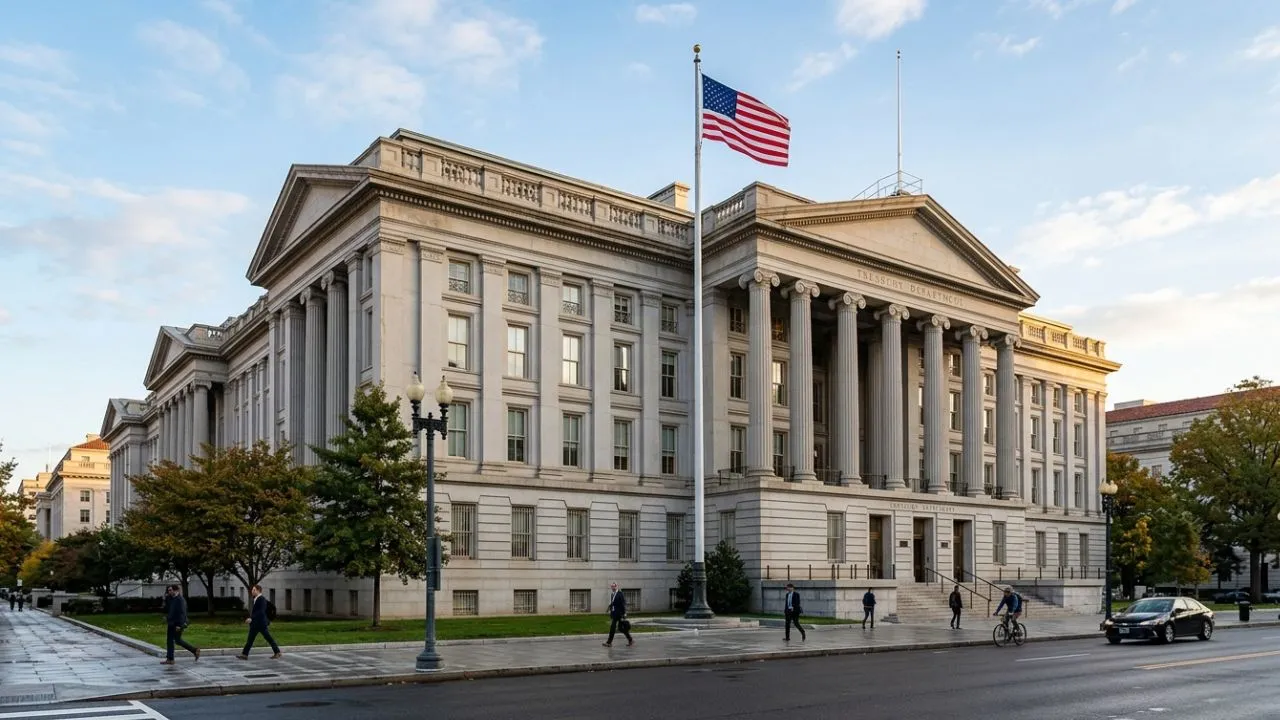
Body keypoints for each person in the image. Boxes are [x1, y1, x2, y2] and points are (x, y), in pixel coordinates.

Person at [237, 584, 281, 660]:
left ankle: (277, 652)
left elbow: (261, 611)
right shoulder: (257, 599)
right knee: (250, 640)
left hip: (260, 624)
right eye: (252, 590)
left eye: (254, 590)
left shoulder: (262, 599)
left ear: (258, 590)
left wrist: (251, 618)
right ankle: (244, 655)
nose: (252, 591)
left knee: (268, 638)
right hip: (256, 624)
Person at [161, 585, 200, 664]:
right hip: (171, 623)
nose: (169, 592)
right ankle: (170, 659)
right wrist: (164, 600)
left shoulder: (180, 600)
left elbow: (183, 613)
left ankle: (194, 650)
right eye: (168, 590)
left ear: (176, 590)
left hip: (178, 623)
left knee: (177, 640)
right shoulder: (171, 599)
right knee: (171, 640)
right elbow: (166, 609)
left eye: (170, 590)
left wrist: (180, 625)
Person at [603, 582, 633, 647]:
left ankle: (609, 642)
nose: (613, 587)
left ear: (617, 587)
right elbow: (613, 603)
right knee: (618, 628)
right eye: (612, 586)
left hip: (620, 614)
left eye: (614, 586)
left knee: (615, 628)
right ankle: (630, 640)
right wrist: (610, 609)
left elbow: (623, 603)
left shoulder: (620, 594)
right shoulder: (612, 594)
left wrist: (624, 613)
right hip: (615, 614)